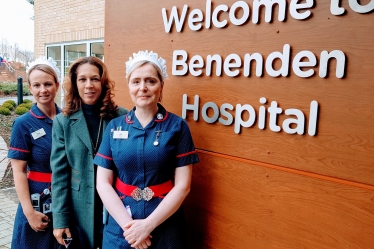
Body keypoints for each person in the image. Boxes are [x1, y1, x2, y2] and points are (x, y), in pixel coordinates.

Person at [94, 50, 200, 249]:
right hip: (122, 227)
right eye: (136, 82)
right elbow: (102, 183)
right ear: (129, 86)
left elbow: (183, 186)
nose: (142, 88)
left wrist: (147, 226)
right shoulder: (115, 127)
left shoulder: (177, 127)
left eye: (150, 81)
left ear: (161, 86)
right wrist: (131, 229)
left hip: (164, 225)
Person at [50, 56, 128, 249]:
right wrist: (60, 220)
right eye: (82, 79)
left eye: (94, 79)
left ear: (103, 82)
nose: (89, 85)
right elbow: (59, 175)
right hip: (79, 206)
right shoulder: (63, 121)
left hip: (117, 203)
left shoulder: (122, 117)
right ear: (75, 84)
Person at [8, 56, 61, 249]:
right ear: (30, 88)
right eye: (37, 85)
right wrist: (29, 212)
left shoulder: (69, 119)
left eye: (48, 84)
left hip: (65, 197)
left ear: (57, 84)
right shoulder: (23, 124)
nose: (43, 90)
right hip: (36, 201)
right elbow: (19, 171)